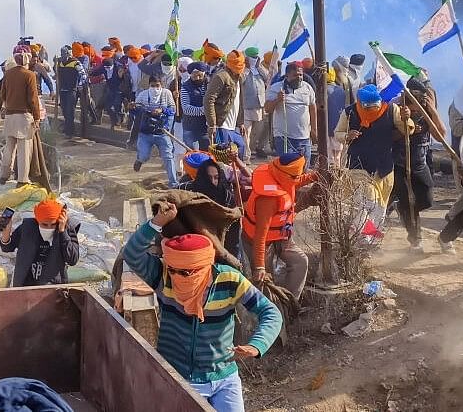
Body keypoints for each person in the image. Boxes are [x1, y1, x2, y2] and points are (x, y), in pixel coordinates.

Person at [123, 203, 282, 412]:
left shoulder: (229, 280)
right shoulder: (163, 276)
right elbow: (132, 255)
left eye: (187, 273)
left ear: (205, 267)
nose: (178, 277)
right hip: (179, 380)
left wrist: (256, 345)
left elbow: (271, 313)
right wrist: (156, 223)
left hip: (224, 378)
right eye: (175, 270)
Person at [241, 154, 320, 303]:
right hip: (259, 243)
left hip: (282, 236)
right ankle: (268, 314)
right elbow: (260, 236)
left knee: (300, 261)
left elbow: (296, 181)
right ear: (288, 175)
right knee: (265, 280)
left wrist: (315, 176)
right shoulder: (268, 200)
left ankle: (289, 303)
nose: (300, 177)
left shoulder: (281, 175)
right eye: (298, 174)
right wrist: (259, 267)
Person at [334, 83, 411, 230]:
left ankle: (372, 239)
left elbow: (406, 129)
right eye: (368, 107)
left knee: (381, 206)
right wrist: (347, 136)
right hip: (359, 166)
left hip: (385, 168)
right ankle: (363, 239)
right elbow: (337, 133)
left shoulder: (390, 109)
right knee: (368, 203)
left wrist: (406, 117)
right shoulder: (350, 112)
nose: (371, 109)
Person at [389, 81, 443, 251]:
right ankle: (415, 239)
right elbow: (388, 136)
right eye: (412, 110)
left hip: (419, 162)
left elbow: (440, 136)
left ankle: (402, 210)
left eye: (417, 110)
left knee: (426, 199)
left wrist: (432, 111)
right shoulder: (396, 111)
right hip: (398, 163)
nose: (414, 112)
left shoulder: (427, 113)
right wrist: (407, 128)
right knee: (407, 203)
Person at [0, 198, 80, 287]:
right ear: (37, 221)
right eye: (44, 224)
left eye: (53, 224)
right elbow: (7, 247)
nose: (49, 228)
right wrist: (6, 231)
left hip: (53, 287)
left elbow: (72, 260)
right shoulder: (27, 228)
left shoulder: (66, 229)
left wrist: (62, 231)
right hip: (26, 285)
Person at [184, 156, 242, 260]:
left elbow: (233, 229)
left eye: (216, 178)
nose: (213, 182)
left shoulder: (226, 197)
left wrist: (231, 255)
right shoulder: (188, 190)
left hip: (219, 241)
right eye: (209, 178)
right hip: (194, 243)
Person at [0, 51, 41, 185]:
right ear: (26, 62)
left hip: (10, 115)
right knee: (24, 149)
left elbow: (3, 95)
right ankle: (22, 179)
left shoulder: (8, 74)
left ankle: (4, 175)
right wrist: (37, 117)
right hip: (24, 116)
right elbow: (33, 99)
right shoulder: (29, 75)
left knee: (9, 146)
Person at [129, 75, 179, 186]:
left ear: (161, 85)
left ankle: (173, 182)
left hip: (162, 132)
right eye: (152, 86)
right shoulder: (142, 95)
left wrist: (162, 110)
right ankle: (140, 160)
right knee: (144, 155)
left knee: (168, 157)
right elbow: (136, 112)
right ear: (149, 86)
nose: (155, 88)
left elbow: (173, 109)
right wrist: (132, 108)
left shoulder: (167, 94)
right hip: (145, 132)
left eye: (157, 86)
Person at [265, 61, 317, 161]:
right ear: (287, 75)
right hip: (284, 137)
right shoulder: (276, 88)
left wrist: (314, 130)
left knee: (304, 168)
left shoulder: (308, 88)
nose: (299, 78)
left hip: (304, 137)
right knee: (288, 169)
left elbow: (312, 107)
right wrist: (277, 99)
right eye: (295, 75)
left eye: (301, 75)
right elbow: (267, 109)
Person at [205, 50, 247, 160]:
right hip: (221, 125)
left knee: (241, 149)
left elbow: (239, 101)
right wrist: (212, 124)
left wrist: (240, 122)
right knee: (224, 159)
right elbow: (208, 100)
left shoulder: (239, 78)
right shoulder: (221, 77)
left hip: (234, 127)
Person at [240, 48, 269, 160]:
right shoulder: (242, 69)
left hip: (260, 105)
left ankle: (252, 149)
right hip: (246, 106)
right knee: (246, 132)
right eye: (252, 57)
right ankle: (246, 156)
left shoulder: (260, 69)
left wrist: (258, 66)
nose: (254, 59)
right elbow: (240, 80)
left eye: (256, 57)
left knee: (257, 132)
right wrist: (247, 68)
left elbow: (268, 78)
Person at [55, 45, 87, 137]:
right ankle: (67, 128)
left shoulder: (75, 62)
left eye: (64, 54)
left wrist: (80, 85)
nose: (63, 55)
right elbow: (57, 74)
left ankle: (70, 131)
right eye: (62, 54)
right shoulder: (60, 63)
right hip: (62, 90)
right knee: (64, 110)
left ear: (68, 54)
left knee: (70, 110)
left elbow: (83, 74)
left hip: (71, 90)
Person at [180, 62, 211, 150]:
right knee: (190, 152)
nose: (197, 78)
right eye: (194, 76)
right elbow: (186, 108)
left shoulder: (209, 84)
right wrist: (205, 110)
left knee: (206, 151)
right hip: (190, 125)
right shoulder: (185, 86)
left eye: (199, 75)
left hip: (205, 126)